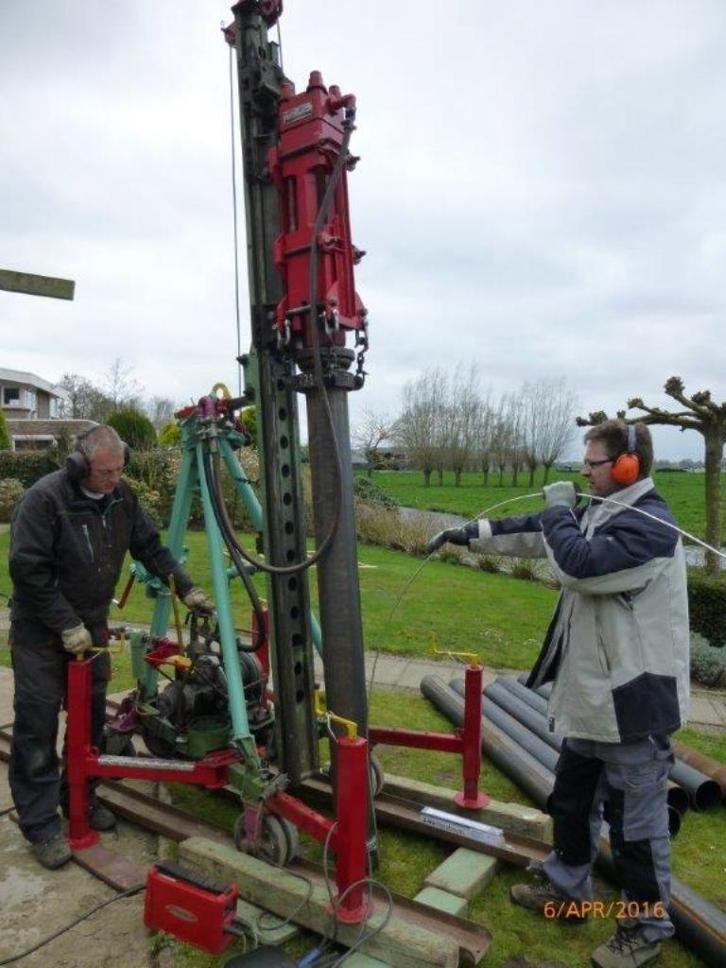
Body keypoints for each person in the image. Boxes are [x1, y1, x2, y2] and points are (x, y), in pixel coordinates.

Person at [428, 420, 689, 968]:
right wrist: (466, 533)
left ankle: (645, 927)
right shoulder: (601, 513)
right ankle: (568, 892)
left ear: (626, 467)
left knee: (636, 832)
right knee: (570, 805)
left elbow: (578, 565)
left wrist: (555, 510)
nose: (582, 473)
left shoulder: (652, 529)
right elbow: (538, 534)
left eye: (592, 464)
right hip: (590, 702)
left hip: (633, 707)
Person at [8, 425, 213, 870]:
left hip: (92, 630)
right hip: (41, 632)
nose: (112, 479)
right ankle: (41, 825)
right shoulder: (45, 500)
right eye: (104, 472)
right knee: (37, 727)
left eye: (119, 469)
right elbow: (27, 571)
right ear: (80, 464)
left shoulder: (124, 499)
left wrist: (187, 588)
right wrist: (65, 624)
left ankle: (79, 797)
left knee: (87, 723)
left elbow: (150, 549)